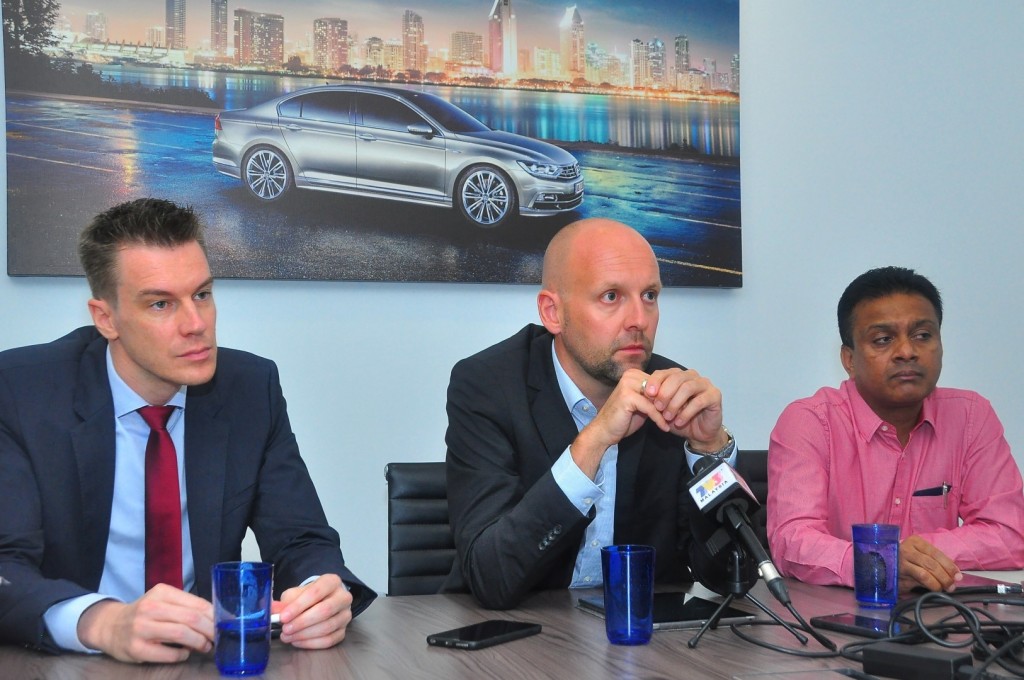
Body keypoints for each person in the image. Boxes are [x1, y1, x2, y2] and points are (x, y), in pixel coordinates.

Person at [0, 198, 375, 661]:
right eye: (161, 304)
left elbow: (301, 539)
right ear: (106, 318)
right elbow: (5, 564)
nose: (196, 325)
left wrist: (320, 592)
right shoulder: (20, 391)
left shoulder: (249, 388)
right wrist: (103, 621)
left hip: (207, 662)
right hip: (72, 663)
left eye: (202, 294)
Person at [443, 217, 738, 609]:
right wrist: (596, 438)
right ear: (553, 312)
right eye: (611, 296)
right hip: (513, 642)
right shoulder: (488, 385)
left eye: (649, 295)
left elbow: (732, 575)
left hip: (642, 646)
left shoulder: (672, 393)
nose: (639, 320)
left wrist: (710, 453)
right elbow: (491, 576)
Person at [767, 266, 1024, 594]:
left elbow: (1009, 534)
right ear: (849, 358)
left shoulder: (971, 416)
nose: (907, 351)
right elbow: (792, 542)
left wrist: (909, 558)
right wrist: (876, 563)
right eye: (883, 339)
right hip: (835, 618)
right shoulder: (809, 422)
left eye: (923, 335)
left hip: (940, 618)